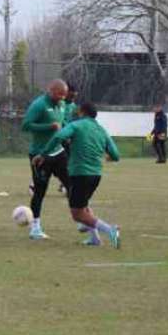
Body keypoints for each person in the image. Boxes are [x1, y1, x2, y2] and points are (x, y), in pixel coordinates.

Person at [33, 102, 121, 248]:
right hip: (96, 175)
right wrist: (108, 157)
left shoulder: (76, 125)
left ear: (82, 112)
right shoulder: (101, 130)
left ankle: (110, 230)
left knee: (77, 214)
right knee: (83, 206)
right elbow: (116, 155)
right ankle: (95, 239)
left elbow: (58, 137)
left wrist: (43, 154)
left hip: (80, 174)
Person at [21, 79, 71, 240]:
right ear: (50, 90)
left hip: (59, 152)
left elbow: (62, 123)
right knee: (40, 191)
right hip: (40, 154)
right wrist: (48, 127)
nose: (62, 97)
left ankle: (81, 220)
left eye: (64, 95)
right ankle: (35, 227)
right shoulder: (39, 105)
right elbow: (26, 125)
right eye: (59, 94)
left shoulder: (62, 105)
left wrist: (67, 133)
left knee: (72, 185)